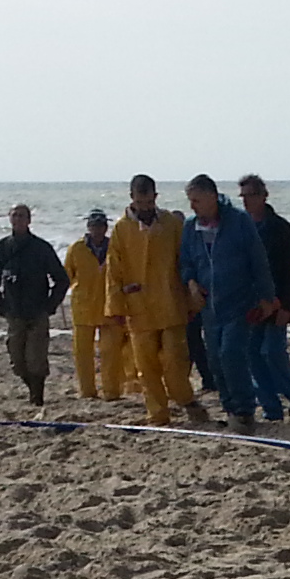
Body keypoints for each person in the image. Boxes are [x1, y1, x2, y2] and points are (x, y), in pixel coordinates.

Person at [180, 174, 278, 424]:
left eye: (198, 200)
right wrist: (190, 283)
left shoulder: (239, 221)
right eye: (190, 201)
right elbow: (186, 263)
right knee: (215, 360)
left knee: (231, 353)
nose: (193, 206)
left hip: (239, 301)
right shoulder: (191, 227)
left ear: (213, 197)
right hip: (209, 306)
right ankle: (231, 408)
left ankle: (244, 410)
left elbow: (258, 260)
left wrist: (267, 297)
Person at [111, 175, 194, 420]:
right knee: (146, 368)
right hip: (139, 308)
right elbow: (113, 271)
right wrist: (115, 307)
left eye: (149, 202)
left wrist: (191, 299)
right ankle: (158, 413)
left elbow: (186, 260)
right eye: (141, 202)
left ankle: (185, 399)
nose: (145, 208)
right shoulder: (121, 229)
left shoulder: (171, 224)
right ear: (132, 199)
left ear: (156, 198)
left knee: (175, 361)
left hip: (171, 304)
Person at [236, 175, 290, 418]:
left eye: (252, 195)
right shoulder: (241, 227)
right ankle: (270, 407)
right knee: (253, 355)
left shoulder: (279, 227)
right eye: (244, 196)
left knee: (273, 351)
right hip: (252, 303)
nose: (247, 201)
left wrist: (286, 304)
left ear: (263, 196)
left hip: (278, 301)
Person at [0, 203, 69, 406]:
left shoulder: (41, 248)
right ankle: (31, 389)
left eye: (22, 216)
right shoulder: (2, 248)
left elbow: (61, 279)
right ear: (9, 218)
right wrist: (0, 306)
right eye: (15, 215)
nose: (18, 219)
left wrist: (50, 306)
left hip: (37, 312)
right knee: (17, 361)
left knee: (36, 360)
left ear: (29, 220)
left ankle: (37, 397)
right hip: (13, 312)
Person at [62, 208, 129, 400]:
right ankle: (87, 392)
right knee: (83, 353)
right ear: (88, 227)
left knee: (111, 353)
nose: (97, 229)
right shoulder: (76, 248)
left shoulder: (115, 248)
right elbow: (66, 275)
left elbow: (124, 275)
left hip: (110, 306)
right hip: (83, 307)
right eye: (93, 225)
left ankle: (111, 391)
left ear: (106, 227)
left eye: (101, 226)